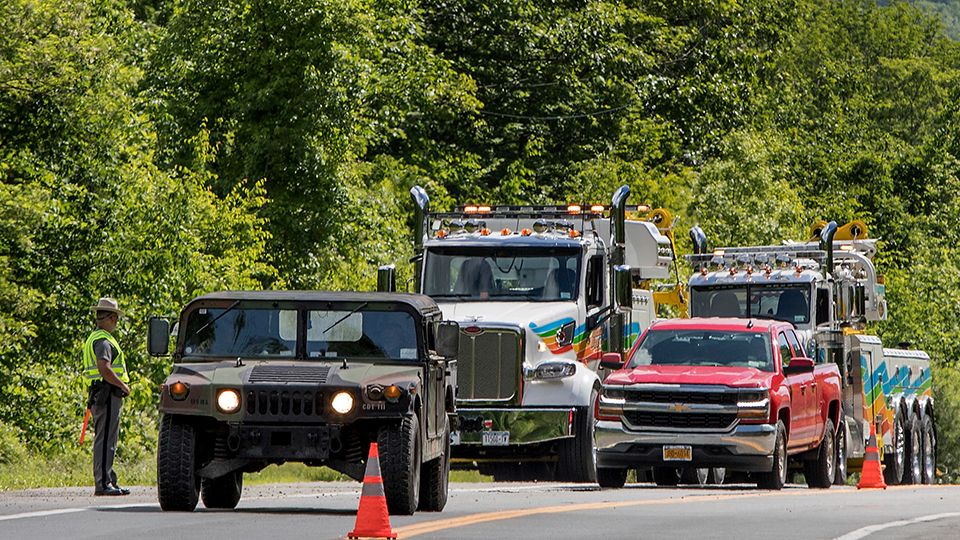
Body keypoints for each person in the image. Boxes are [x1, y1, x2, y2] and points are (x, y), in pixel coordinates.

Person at [82, 297, 132, 496]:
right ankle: (103, 483)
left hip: (101, 393)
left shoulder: (94, 337)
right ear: (112, 317)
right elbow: (105, 368)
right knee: (105, 440)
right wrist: (124, 386)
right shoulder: (103, 340)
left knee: (108, 438)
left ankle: (109, 479)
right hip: (107, 393)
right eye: (116, 318)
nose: (117, 322)